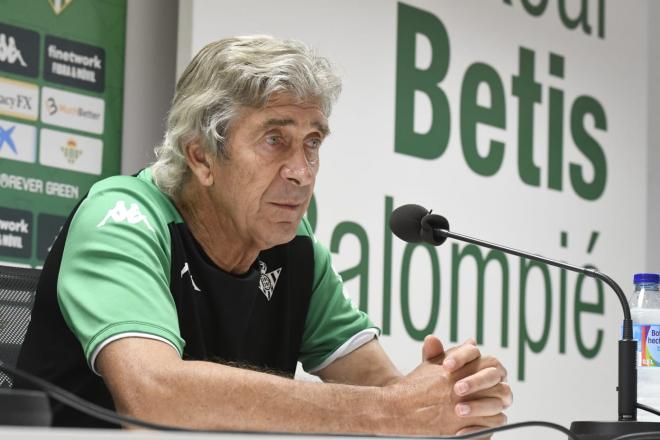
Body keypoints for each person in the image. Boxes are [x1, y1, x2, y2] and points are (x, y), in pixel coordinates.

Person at [17, 35, 511, 435]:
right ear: (201, 157)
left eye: (312, 142)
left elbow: (386, 392)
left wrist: (451, 408)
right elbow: (155, 396)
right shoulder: (124, 217)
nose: (301, 171)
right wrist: (392, 411)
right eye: (275, 139)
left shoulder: (292, 247)